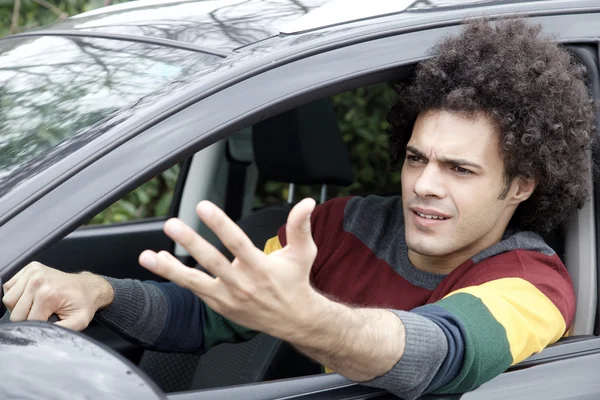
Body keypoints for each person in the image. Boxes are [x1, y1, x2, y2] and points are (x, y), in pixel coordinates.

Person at [2, 19, 597, 399]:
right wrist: (96, 290)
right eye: (417, 159)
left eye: (460, 170)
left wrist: (305, 319)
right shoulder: (339, 227)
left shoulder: (531, 284)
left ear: (521, 184)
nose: (424, 185)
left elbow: (445, 354)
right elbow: (211, 313)